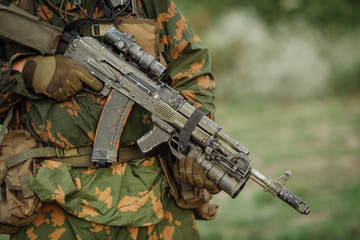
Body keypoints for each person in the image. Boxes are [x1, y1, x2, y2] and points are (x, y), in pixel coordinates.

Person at [0, 0, 219, 239]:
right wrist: (23, 72)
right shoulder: (12, 7)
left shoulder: (143, 3)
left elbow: (190, 65)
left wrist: (194, 139)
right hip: (48, 196)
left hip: (156, 194)